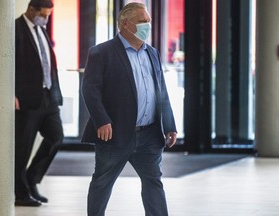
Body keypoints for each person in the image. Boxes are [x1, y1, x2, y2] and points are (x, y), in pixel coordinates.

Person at [81, 2, 177, 215]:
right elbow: (90, 89)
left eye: (149, 22)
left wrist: (169, 124)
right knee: (102, 182)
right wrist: (101, 120)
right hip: (115, 133)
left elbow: (160, 91)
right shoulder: (101, 53)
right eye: (143, 22)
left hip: (149, 134)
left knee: (153, 182)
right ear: (125, 23)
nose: (148, 26)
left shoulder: (152, 53)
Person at [15, 0, 63, 207]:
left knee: (56, 137)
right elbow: (9, 63)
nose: (46, 18)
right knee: (22, 148)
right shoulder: (16, 29)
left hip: (48, 97)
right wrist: (12, 94)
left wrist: (55, 93)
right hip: (26, 99)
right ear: (31, 9)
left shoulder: (41, 29)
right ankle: (21, 193)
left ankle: (32, 180)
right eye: (44, 14)